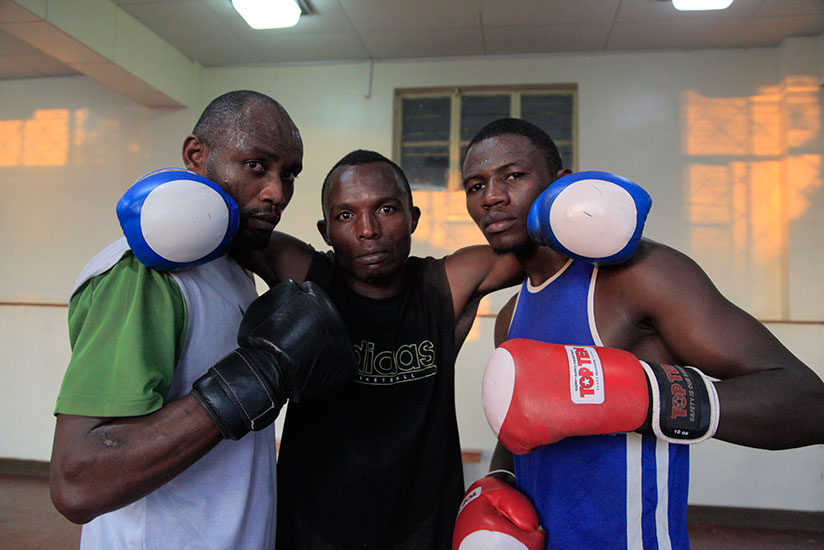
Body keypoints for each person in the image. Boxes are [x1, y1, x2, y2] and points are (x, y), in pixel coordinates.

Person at [454, 118, 824, 550]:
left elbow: (807, 402)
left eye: (513, 175)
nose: (492, 197)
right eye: (475, 186)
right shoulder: (511, 314)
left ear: (562, 184)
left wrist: (651, 397)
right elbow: (523, 418)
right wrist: (500, 478)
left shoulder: (639, 276)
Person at [49, 90, 354, 549]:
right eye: (256, 165)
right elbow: (78, 479)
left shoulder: (229, 266)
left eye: (288, 174)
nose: (277, 193)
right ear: (196, 155)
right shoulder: (144, 274)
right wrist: (256, 376)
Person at [237, 149, 524, 549]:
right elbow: (223, 224)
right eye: (345, 215)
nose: (367, 229)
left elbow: (538, 249)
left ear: (413, 218)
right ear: (325, 232)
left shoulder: (444, 284)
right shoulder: (306, 275)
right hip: (311, 530)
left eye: (386, 209)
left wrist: (502, 191)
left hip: (424, 530)